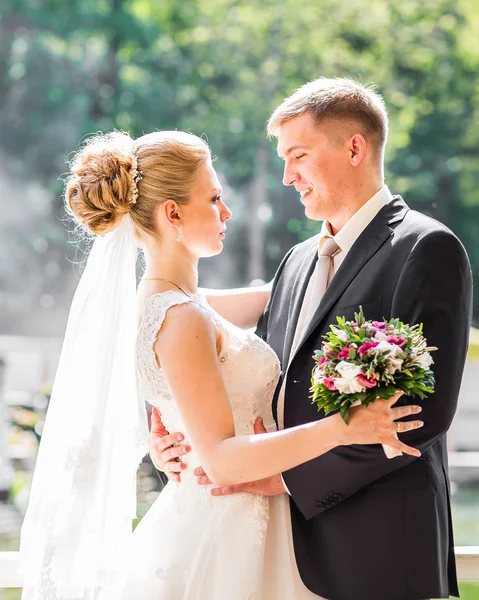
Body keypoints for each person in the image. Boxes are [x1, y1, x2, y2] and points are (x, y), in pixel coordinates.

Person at [19, 128, 423, 600]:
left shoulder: (177, 303)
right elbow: (223, 460)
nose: (226, 212)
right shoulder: (180, 317)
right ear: (173, 213)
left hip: (242, 519)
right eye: (213, 198)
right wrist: (343, 426)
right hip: (226, 526)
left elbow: (288, 297)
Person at [151, 79, 473, 600]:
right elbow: (245, 365)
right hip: (281, 551)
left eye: (298, 156)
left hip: (381, 548)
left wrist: (286, 479)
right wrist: (172, 432)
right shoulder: (297, 260)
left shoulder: (426, 247)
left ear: (354, 147)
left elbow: (421, 415)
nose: (286, 176)